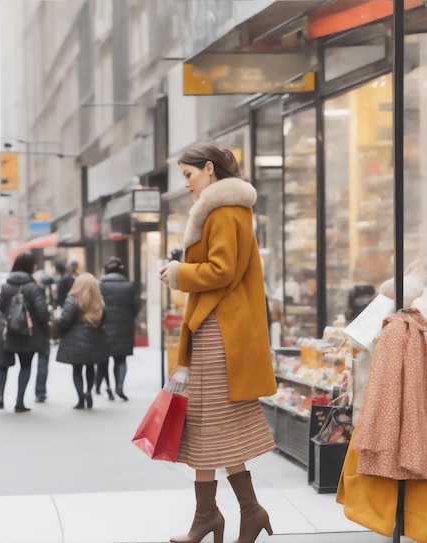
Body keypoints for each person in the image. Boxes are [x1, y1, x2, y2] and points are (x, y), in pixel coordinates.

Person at [158, 142, 277, 543]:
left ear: (209, 169)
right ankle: (231, 512)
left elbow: (222, 270)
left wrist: (180, 272)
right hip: (215, 326)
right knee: (208, 427)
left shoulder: (225, 210)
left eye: (189, 175)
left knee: (208, 425)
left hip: (220, 329)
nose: (186, 184)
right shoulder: (224, 209)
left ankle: (218, 515)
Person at [0, 251, 51, 413]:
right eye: (34, 263)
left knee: (3, 364)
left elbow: (0, 307)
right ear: (29, 266)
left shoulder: (6, 285)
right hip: (29, 333)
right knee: (25, 366)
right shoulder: (33, 287)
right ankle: (19, 401)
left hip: (11, 331)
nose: (36, 266)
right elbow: (42, 312)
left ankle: (0, 396)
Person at [55, 272, 108, 409]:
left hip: (75, 341)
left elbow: (64, 321)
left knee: (77, 370)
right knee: (90, 367)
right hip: (94, 340)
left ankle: (80, 399)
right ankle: (88, 392)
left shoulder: (72, 300)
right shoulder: (99, 302)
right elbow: (104, 321)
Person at [97, 256, 140, 401]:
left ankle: (108, 387)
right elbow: (135, 307)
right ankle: (120, 385)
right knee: (121, 359)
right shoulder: (128, 285)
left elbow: (97, 305)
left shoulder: (101, 284)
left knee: (104, 359)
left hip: (105, 326)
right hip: (124, 326)